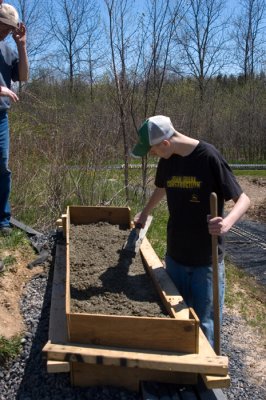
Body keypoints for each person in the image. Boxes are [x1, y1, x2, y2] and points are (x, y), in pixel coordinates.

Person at [132, 115, 250, 348]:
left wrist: (226, 223)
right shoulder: (168, 159)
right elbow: (161, 188)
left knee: (205, 322)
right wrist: (144, 213)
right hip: (175, 256)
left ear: (165, 143)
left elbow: (243, 199)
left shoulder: (208, 157)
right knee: (176, 319)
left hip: (206, 261)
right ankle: (181, 375)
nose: (153, 155)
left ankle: (203, 379)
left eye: (152, 150)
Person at [0, 3, 29, 237]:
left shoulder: (7, 50)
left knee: (2, 166)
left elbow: (23, 76)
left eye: (10, 28)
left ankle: (3, 220)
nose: (6, 31)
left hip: (1, 116)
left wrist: (21, 46)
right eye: (3, 26)